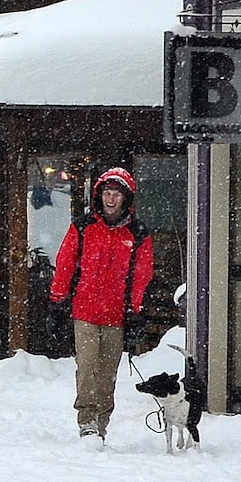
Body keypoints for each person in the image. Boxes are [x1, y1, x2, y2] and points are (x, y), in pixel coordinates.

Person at [49, 167, 154, 439]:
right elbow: (66, 264)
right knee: (86, 368)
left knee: (107, 375)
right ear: (100, 196)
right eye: (107, 193)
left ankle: (101, 422)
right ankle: (87, 420)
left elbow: (142, 274)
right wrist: (58, 299)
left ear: (125, 198)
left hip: (116, 315)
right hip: (84, 310)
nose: (110, 199)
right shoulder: (82, 227)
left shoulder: (138, 233)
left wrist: (136, 310)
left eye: (116, 194)